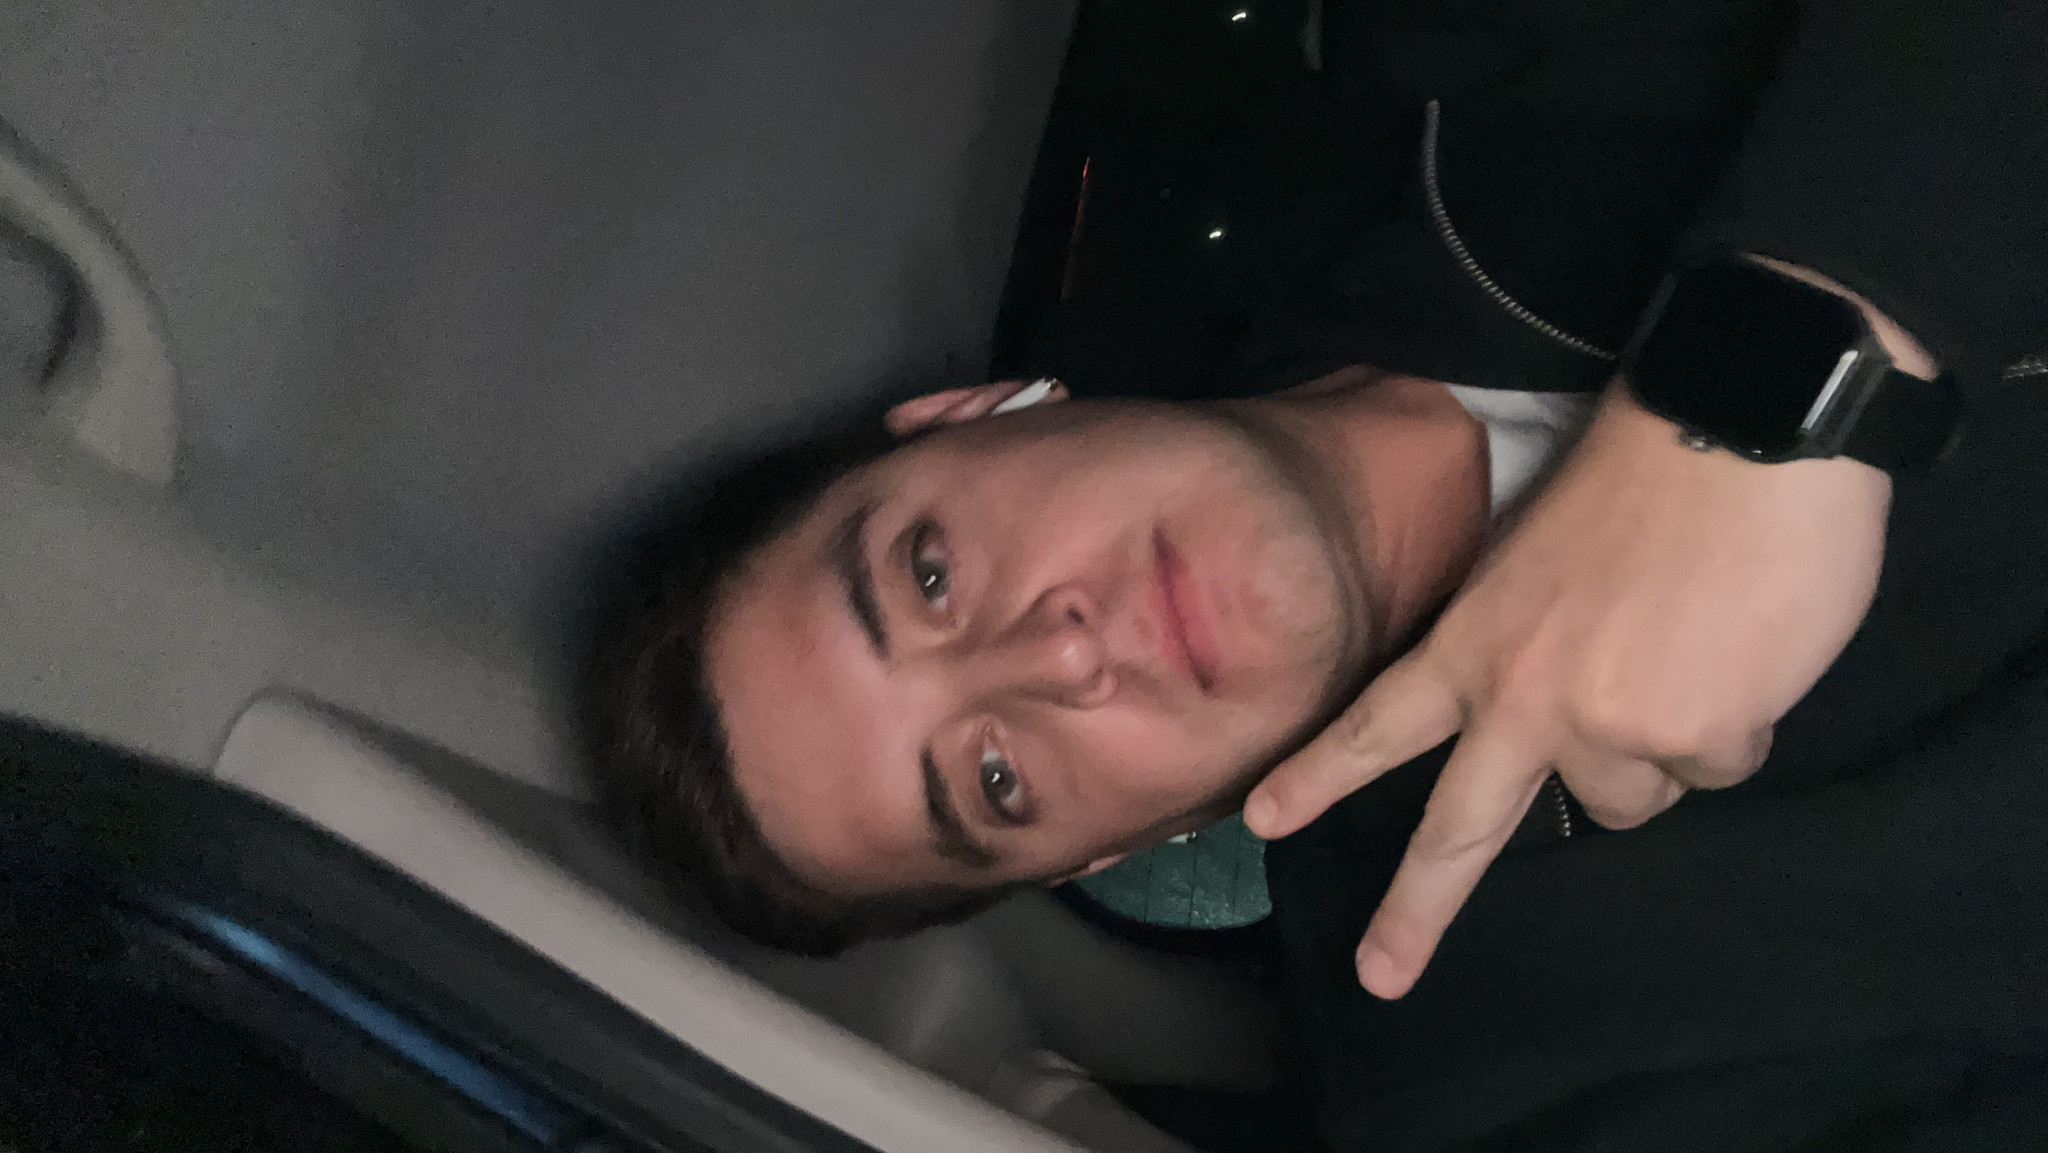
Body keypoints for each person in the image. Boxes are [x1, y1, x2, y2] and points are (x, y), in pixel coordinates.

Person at [587, 0, 2048, 1143]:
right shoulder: (1509, 1053)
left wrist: (1796, 346)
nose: (1061, 655)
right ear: (1105, 853)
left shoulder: (1503, 60)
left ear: (980, 412)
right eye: (998, 780)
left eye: (927, 576)